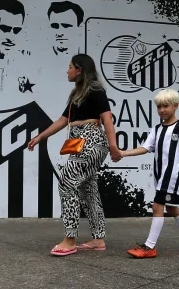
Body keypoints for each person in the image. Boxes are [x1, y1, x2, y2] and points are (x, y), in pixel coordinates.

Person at [27, 53, 121, 256]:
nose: (67, 70)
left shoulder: (95, 90)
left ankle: (70, 239)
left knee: (67, 183)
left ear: (79, 70)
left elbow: (107, 119)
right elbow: (63, 121)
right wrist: (40, 137)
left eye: (70, 67)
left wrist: (113, 147)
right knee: (88, 189)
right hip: (81, 142)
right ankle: (98, 238)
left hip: (91, 141)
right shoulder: (77, 93)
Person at [117, 89, 179, 258]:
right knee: (172, 208)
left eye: (165, 106)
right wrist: (124, 153)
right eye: (159, 107)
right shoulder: (157, 129)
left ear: (175, 106)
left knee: (157, 206)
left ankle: (149, 247)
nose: (162, 110)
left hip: (173, 177)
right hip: (161, 176)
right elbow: (145, 148)